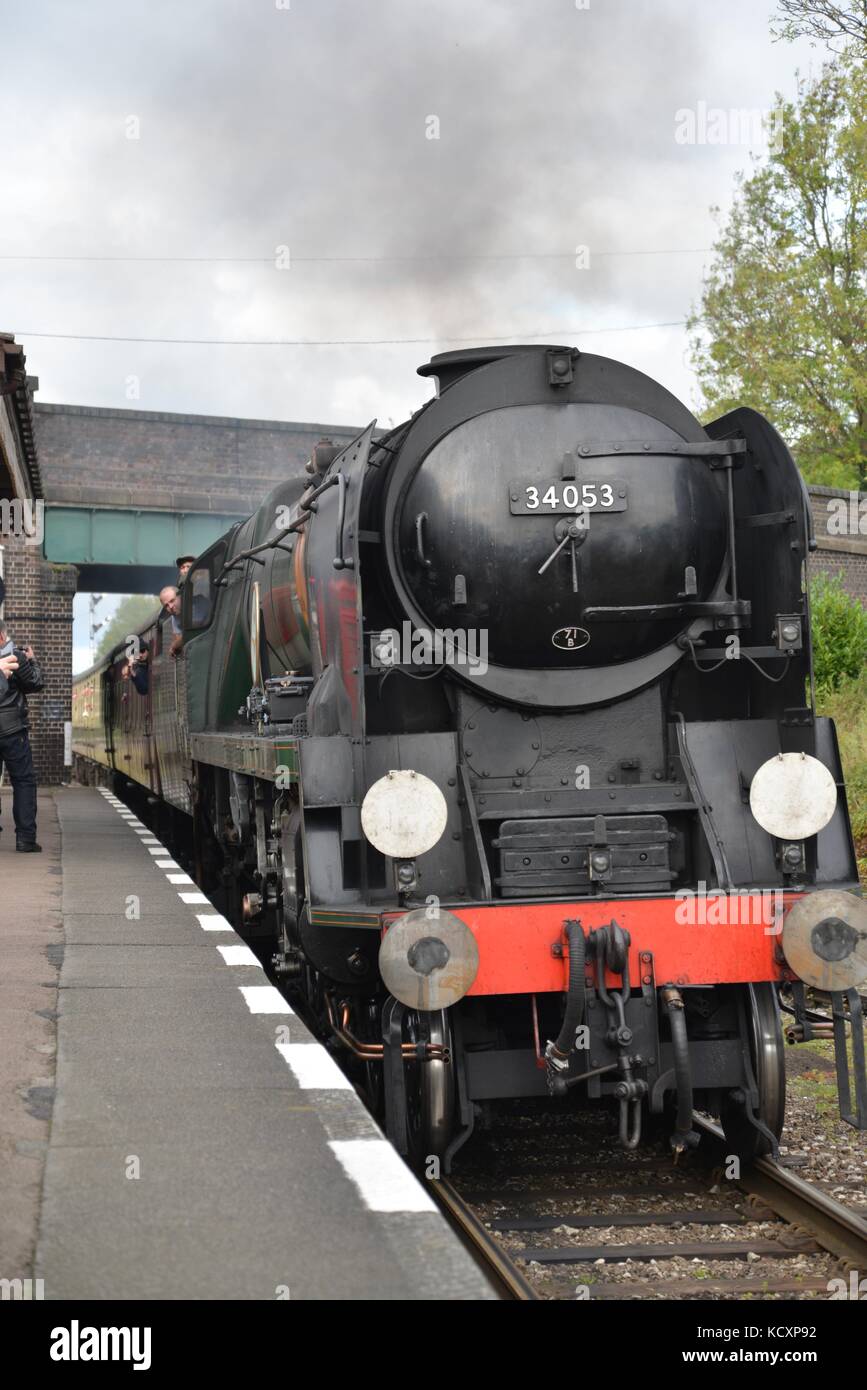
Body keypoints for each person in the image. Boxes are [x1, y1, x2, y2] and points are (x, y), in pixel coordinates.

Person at [0, 620, 45, 852]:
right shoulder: (15, 656)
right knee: (23, 781)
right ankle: (25, 839)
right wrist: (33, 660)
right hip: (12, 731)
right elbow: (36, 683)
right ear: (1, 636)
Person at [159, 585, 183, 658]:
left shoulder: (198, 604)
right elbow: (179, 638)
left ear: (180, 596)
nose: (171, 606)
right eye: (166, 605)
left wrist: (173, 646)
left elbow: (189, 635)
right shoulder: (174, 617)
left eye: (172, 601)